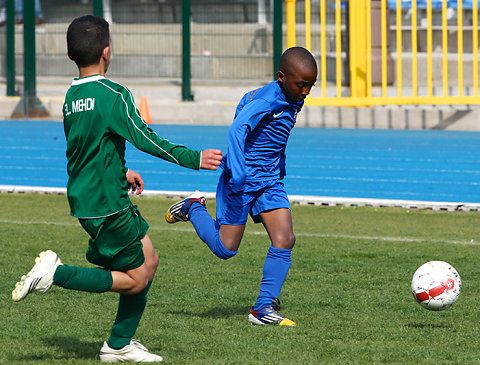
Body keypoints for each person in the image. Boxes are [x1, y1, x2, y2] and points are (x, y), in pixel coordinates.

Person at [11, 15, 222, 363]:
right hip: (107, 205)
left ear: (70, 54)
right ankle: (57, 275)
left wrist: (120, 172)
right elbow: (145, 138)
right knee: (138, 277)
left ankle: (120, 343)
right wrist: (193, 158)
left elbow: (87, 149)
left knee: (149, 261)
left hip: (89, 198)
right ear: (107, 52)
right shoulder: (114, 94)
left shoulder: (71, 97)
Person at [165, 47, 317, 327]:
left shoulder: (294, 97)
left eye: (310, 85)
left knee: (285, 239)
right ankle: (193, 207)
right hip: (242, 181)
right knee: (225, 249)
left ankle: (262, 308)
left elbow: (277, 136)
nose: (306, 91)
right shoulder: (268, 99)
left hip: (269, 181)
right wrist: (238, 171)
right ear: (281, 77)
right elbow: (237, 130)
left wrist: (279, 165)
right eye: (301, 84)